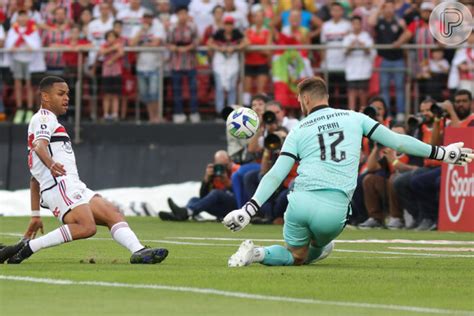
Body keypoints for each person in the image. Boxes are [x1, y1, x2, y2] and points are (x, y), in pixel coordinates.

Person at [222, 77, 473, 267]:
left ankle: (257, 253)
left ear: (306, 99)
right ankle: (315, 247)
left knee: (295, 253)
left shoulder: (298, 129)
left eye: (299, 100)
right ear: (326, 97)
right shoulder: (355, 117)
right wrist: (443, 153)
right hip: (334, 208)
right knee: (317, 249)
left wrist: (248, 209)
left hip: (299, 202)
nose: (299, 104)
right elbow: (398, 142)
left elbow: (276, 174)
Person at [0, 76, 168, 265]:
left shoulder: (49, 122)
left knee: (112, 213)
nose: (66, 98)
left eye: (68, 94)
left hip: (72, 184)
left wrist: (35, 215)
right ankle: (28, 248)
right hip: (60, 185)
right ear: (45, 97)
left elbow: (34, 178)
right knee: (86, 227)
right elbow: (40, 146)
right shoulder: (44, 117)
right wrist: (51, 165)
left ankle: (139, 251)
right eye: (61, 94)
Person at [161, 150, 239, 221]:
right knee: (194, 200)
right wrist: (206, 180)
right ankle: (180, 214)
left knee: (216, 193)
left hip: (237, 207)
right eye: (220, 166)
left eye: (225, 165)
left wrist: (228, 184)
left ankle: (186, 212)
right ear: (215, 163)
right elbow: (203, 196)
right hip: (222, 208)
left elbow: (243, 195)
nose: (223, 168)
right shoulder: (215, 174)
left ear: (230, 161)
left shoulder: (237, 170)